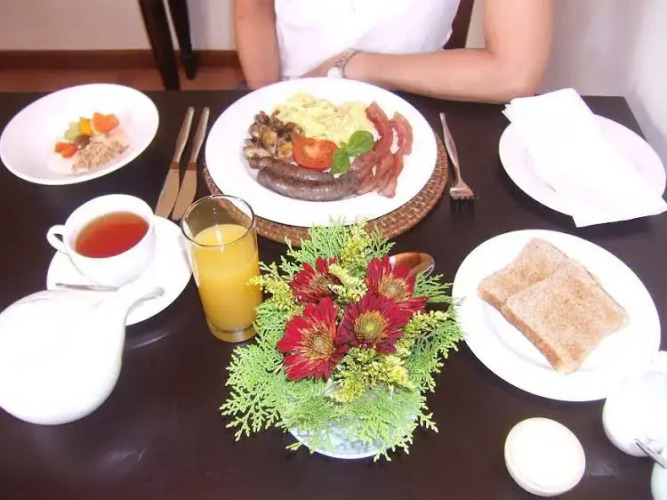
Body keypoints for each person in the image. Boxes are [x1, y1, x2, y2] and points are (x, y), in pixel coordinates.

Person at [233, 0, 553, 103]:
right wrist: (266, 101)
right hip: (287, 92)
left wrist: (353, 66)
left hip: (419, 97)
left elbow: (514, 71)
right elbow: (253, 8)